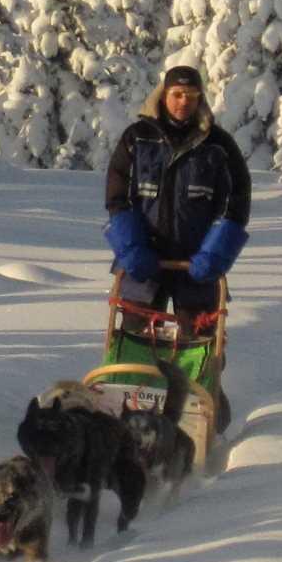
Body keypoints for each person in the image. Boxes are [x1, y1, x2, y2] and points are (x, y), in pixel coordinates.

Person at [104, 64, 251, 462]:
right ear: (163, 95)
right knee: (133, 340)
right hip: (144, 264)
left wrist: (214, 256)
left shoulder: (217, 146)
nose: (184, 102)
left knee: (198, 344)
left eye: (191, 95)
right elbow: (118, 196)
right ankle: (128, 420)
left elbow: (237, 206)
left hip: (196, 265)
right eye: (176, 95)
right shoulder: (137, 138)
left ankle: (201, 420)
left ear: (201, 98)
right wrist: (132, 249)